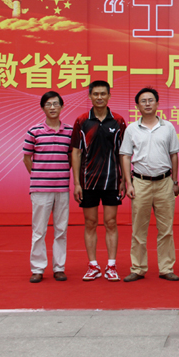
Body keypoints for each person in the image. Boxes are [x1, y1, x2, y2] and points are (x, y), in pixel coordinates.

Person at [120, 87, 179, 282]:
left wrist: (175, 181)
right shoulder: (131, 129)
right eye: (143, 101)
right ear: (137, 106)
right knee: (138, 229)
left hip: (164, 182)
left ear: (157, 103)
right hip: (140, 182)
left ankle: (166, 268)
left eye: (151, 100)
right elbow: (125, 156)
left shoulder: (168, 127)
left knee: (166, 229)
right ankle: (138, 268)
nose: (147, 104)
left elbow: (174, 155)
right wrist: (128, 183)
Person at [71, 80, 127, 282]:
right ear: (90, 96)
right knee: (90, 223)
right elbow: (76, 153)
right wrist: (77, 183)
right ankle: (93, 265)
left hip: (112, 181)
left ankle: (111, 265)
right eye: (95, 94)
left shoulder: (118, 121)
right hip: (88, 182)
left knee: (111, 222)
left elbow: (123, 153)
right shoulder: (82, 121)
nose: (99, 97)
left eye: (103, 94)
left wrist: (124, 179)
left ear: (109, 96)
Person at [23, 91, 73, 283]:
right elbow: (27, 158)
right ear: (43, 107)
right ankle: (37, 268)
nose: (52, 107)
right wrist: (38, 175)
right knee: (39, 230)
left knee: (61, 230)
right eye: (48, 104)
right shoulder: (34, 131)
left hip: (62, 189)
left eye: (56, 104)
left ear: (62, 106)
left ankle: (59, 267)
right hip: (40, 189)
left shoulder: (69, 131)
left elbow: (71, 158)